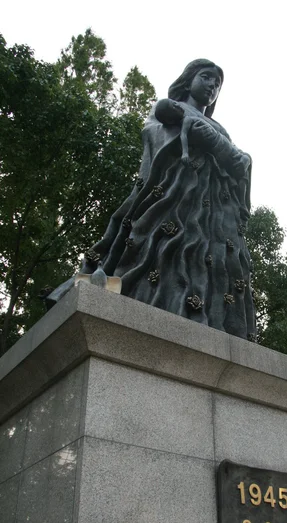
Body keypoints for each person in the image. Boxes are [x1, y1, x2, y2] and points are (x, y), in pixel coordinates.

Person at [47, 59, 256, 341]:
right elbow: (156, 130)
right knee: (157, 250)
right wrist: (210, 144)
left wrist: (223, 149)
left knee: (213, 265)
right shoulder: (168, 108)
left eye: (217, 83)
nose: (212, 86)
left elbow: (238, 165)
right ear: (188, 80)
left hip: (215, 214)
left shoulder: (220, 129)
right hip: (173, 196)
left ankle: (206, 320)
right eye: (206, 77)